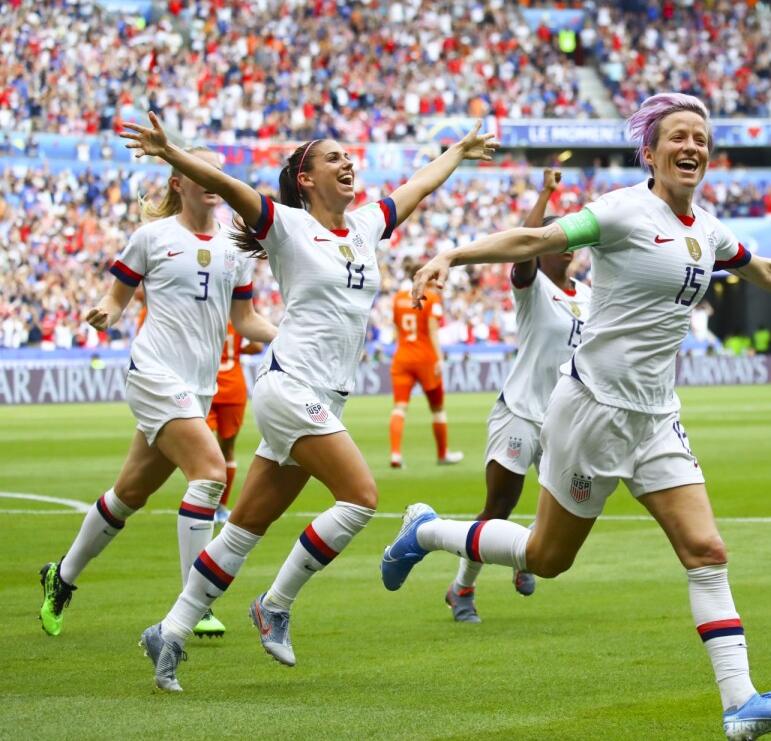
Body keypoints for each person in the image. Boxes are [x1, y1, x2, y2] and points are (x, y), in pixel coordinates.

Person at [380, 94, 771, 740]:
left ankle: (739, 704)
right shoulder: (624, 210)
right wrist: (455, 254)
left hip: (657, 417)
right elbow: (538, 239)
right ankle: (426, 531)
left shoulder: (707, 229)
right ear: (649, 152)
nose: (691, 147)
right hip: (591, 409)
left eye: (700, 139)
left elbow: (762, 268)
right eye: (677, 136)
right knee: (545, 558)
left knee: (706, 549)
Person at [119, 112, 498, 691]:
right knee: (360, 498)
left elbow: (418, 185)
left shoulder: (367, 225)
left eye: (350, 156)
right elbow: (228, 187)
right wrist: (170, 152)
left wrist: (461, 150)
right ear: (305, 178)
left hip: (324, 395)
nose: (348, 162)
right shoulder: (287, 227)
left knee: (246, 525)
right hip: (290, 384)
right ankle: (275, 604)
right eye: (333, 157)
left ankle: (169, 630)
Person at [38, 147, 276, 641]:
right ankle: (194, 605)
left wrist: (293, 335)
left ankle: (60, 577)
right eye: (196, 171)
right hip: (153, 374)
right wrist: (107, 312)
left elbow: (246, 321)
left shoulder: (235, 246)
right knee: (210, 474)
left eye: (214, 171)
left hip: (198, 387)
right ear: (177, 183)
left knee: (128, 495)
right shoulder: (152, 238)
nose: (208, 179)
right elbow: (116, 296)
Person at [445, 168, 591, 623]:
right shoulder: (533, 287)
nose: (565, 242)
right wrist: (546, 194)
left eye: (567, 236)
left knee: (563, 508)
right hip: (520, 412)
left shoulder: (589, 296)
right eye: (554, 236)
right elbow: (524, 244)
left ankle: (523, 554)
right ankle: (461, 589)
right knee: (498, 506)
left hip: (563, 419)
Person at [388, 267, 463, 469]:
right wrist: (439, 358)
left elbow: (396, 327)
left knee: (399, 408)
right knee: (437, 409)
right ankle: (442, 454)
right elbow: (432, 330)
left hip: (402, 357)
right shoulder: (431, 298)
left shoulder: (397, 298)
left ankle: (395, 454)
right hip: (425, 359)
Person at [206, 321, 265, 524]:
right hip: (233, 389)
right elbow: (257, 346)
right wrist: (238, 350)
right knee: (228, 449)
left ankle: (203, 506)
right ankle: (221, 508)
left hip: (207, 387)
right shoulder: (238, 319)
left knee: (202, 450)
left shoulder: (210, 314)